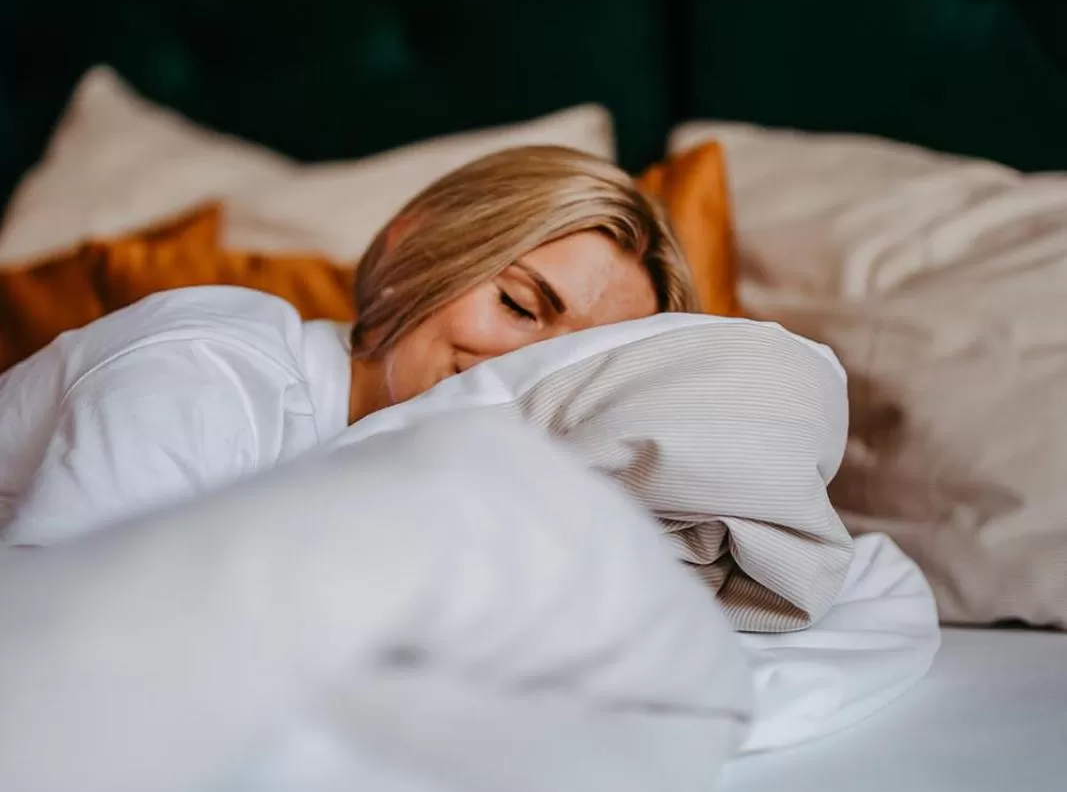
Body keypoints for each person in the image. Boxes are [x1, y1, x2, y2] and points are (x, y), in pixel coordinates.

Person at [0, 146, 699, 548]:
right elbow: (58, 656)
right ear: (415, 247)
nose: (531, 372)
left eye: (580, 364)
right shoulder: (207, 377)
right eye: (517, 305)